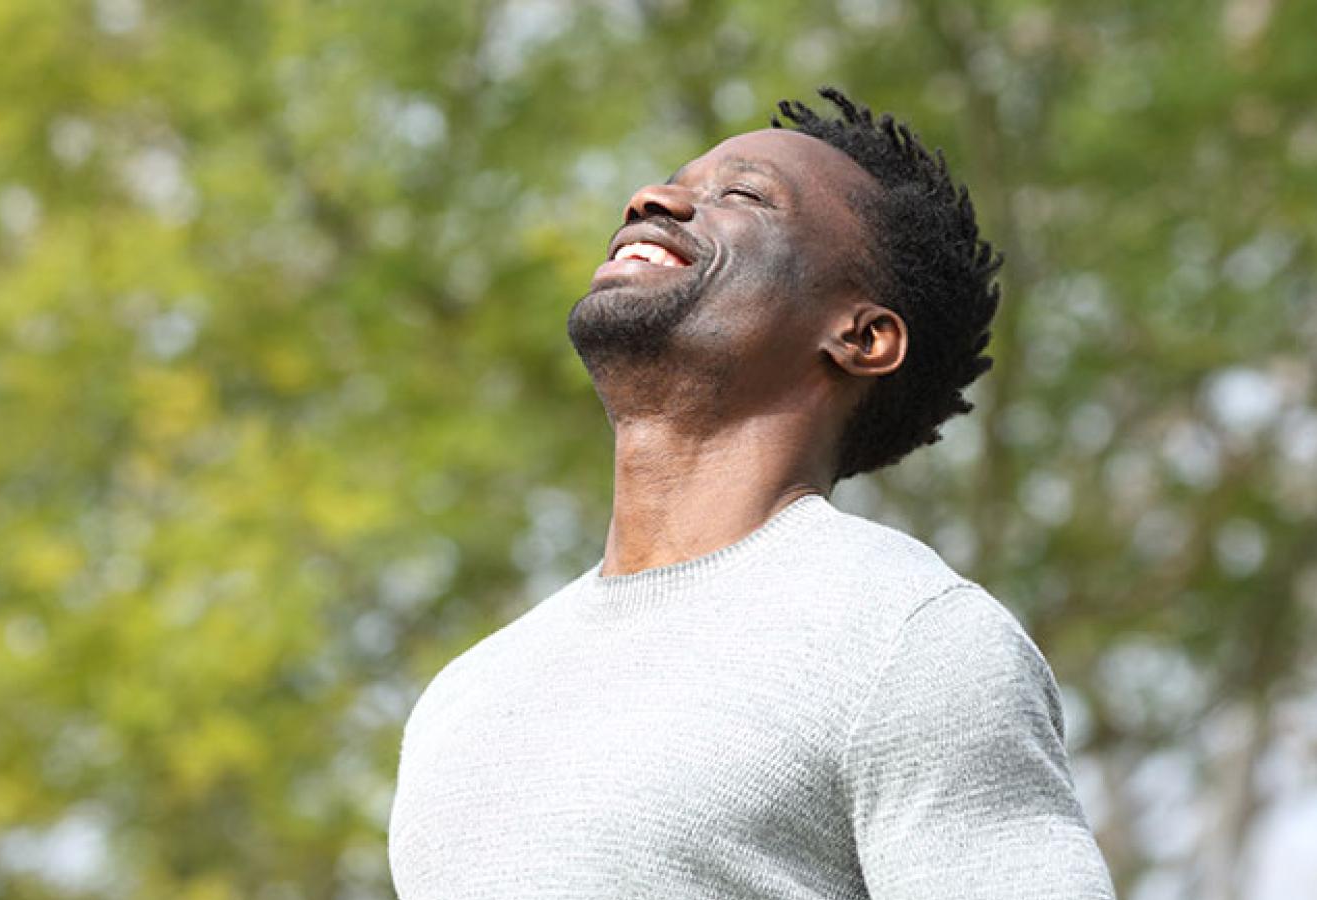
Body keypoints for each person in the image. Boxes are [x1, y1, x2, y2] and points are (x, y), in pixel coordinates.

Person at [387, 87, 1116, 899]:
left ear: (861, 336)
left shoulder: (909, 637)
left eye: (741, 196)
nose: (652, 200)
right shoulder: (466, 696)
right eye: (672, 184)